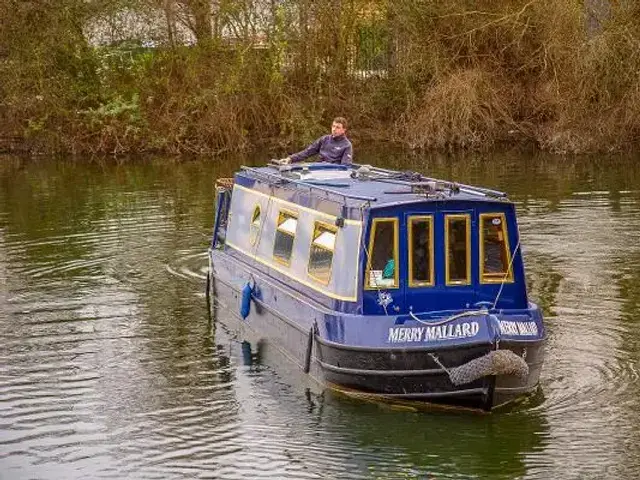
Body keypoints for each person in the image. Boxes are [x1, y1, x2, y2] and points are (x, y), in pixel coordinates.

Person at [278, 117, 353, 165]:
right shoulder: (324, 139)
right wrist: (290, 159)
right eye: (333, 126)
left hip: (333, 172)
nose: (334, 129)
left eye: (337, 127)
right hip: (318, 168)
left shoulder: (347, 145)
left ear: (343, 130)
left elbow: (345, 166)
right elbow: (307, 152)